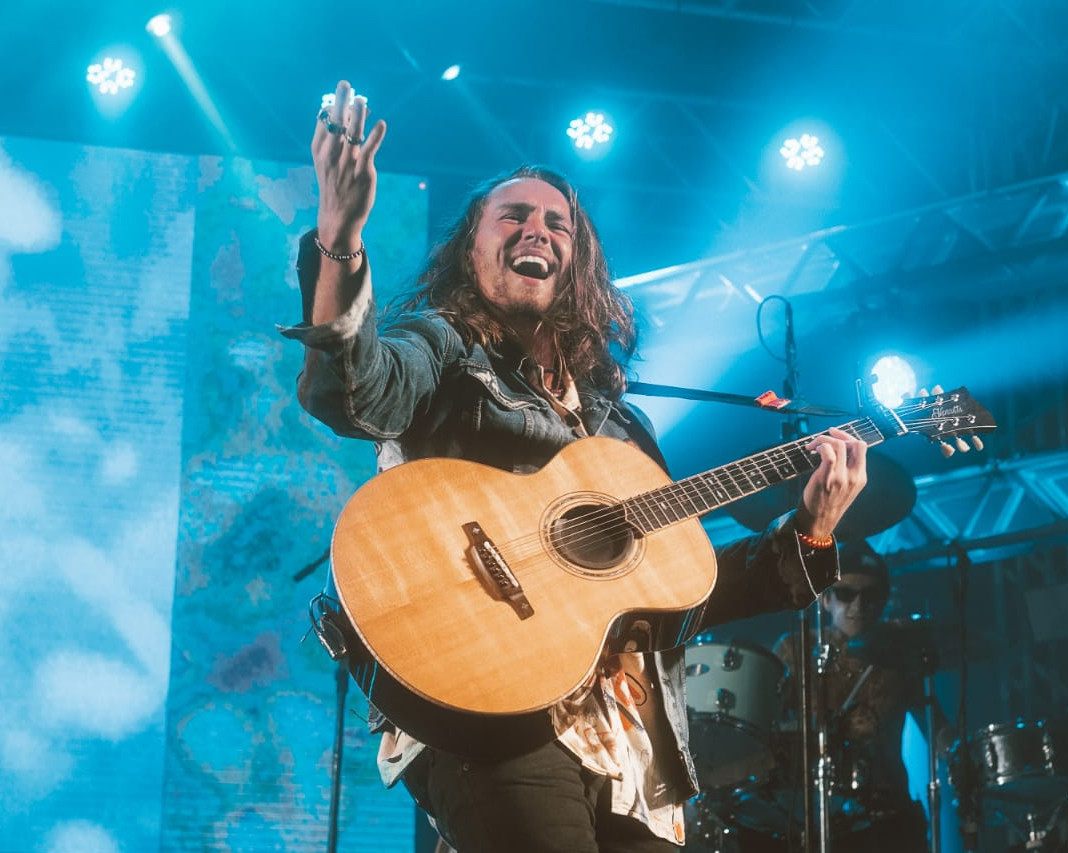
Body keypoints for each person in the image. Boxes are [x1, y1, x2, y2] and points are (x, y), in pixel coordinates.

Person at [280, 80, 870, 853]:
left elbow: (685, 591)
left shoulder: (621, 428)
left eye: (558, 222)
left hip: (631, 748)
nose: (540, 229)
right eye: (515, 215)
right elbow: (353, 392)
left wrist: (813, 530)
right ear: (472, 248)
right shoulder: (444, 349)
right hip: (489, 700)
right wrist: (339, 233)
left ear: (577, 261)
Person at [740, 540, 955, 853]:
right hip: (804, 807)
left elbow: (936, 728)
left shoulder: (900, 658)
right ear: (825, 600)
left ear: (883, 602)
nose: (858, 606)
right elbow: (763, 726)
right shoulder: (795, 648)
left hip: (884, 807)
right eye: (845, 594)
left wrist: (966, 753)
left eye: (870, 596)